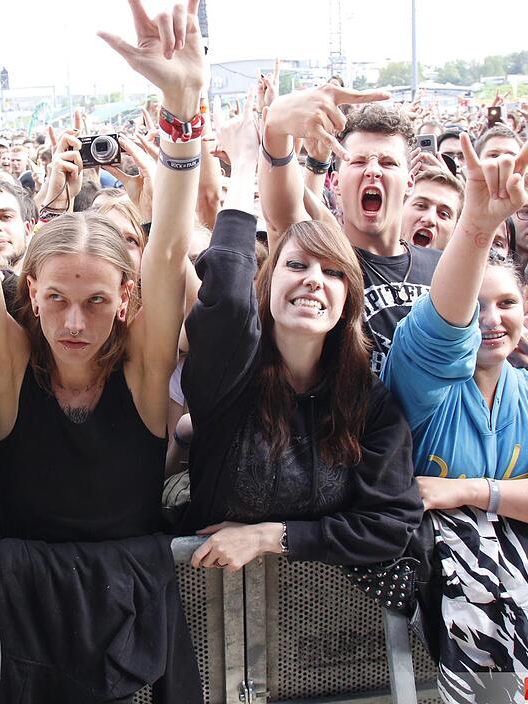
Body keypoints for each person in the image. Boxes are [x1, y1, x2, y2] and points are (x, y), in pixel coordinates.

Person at [0, 0, 204, 543]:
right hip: (26, 601)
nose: (74, 322)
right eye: (57, 298)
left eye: (97, 301)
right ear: (30, 292)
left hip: (135, 601)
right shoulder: (9, 367)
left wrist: (182, 106)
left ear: (126, 299)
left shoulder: (143, 369)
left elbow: (171, 248)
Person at [381, 126, 528, 696]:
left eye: (506, 303)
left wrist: (468, 492)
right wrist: (477, 224)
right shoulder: (419, 380)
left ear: (527, 315)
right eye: (475, 303)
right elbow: (442, 333)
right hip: (428, 627)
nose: (490, 318)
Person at [179, 87, 422, 573]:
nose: (314, 280)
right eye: (297, 266)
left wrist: (273, 538)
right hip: (216, 606)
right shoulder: (232, 376)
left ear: (347, 301)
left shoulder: (367, 401)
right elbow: (226, 296)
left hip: (326, 624)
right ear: (266, 285)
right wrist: (245, 162)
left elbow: (392, 524)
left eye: (333, 272)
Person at [259, 98, 444, 374]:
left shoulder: (442, 267)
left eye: (388, 162)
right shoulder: (321, 264)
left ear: (409, 182)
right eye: (357, 161)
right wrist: (276, 125)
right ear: (335, 183)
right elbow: (281, 217)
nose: (372, 170)